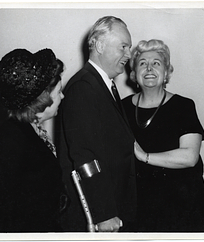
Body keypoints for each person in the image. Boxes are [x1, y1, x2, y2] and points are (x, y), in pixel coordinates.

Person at [122, 39, 204, 232]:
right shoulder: (121, 108)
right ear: (133, 74)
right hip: (139, 202)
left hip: (181, 202)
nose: (149, 68)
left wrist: (144, 156)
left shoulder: (184, 106)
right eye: (142, 63)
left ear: (166, 73)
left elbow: (189, 157)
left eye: (156, 63)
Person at [58, 16, 136, 232]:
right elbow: (85, 157)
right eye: (123, 46)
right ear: (100, 45)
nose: (128, 55)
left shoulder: (101, 85)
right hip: (98, 215)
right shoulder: (84, 87)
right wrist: (104, 213)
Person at [0, 48, 68, 232]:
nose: (62, 97)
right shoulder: (11, 140)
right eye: (59, 91)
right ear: (43, 98)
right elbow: (5, 213)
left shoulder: (30, 127)